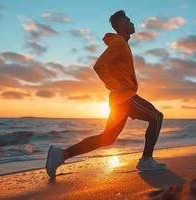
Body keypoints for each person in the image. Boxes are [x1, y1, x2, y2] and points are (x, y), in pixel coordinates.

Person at [45, 10, 166, 178]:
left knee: (107, 138)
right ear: (121, 25)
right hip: (125, 97)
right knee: (157, 117)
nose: (132, 22)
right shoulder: (119, 43)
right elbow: (99, 66)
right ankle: (146, 160)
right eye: (129, 20)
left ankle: (61, 154)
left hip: (120, 100)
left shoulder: (121, 43)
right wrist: (117, 85)